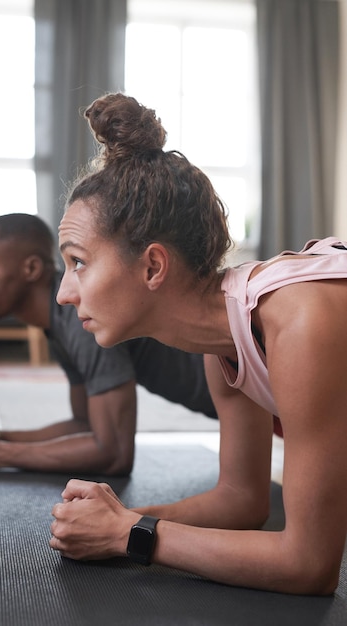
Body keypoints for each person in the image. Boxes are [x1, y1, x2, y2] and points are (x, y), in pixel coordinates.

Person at [49, 92, 347, 596]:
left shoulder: (299, 322)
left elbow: (310, 564)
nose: (63, 292)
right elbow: (242, 500)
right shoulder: (225, 339)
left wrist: (130, 534)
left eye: (78, 261)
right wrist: (117, 520)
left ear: (152, 266)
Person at [0, 213, 217, 475]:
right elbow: (84, 424)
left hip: (255, 402)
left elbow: (114, 453)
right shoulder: (58, 324)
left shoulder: (83, 317)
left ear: (31, 269)